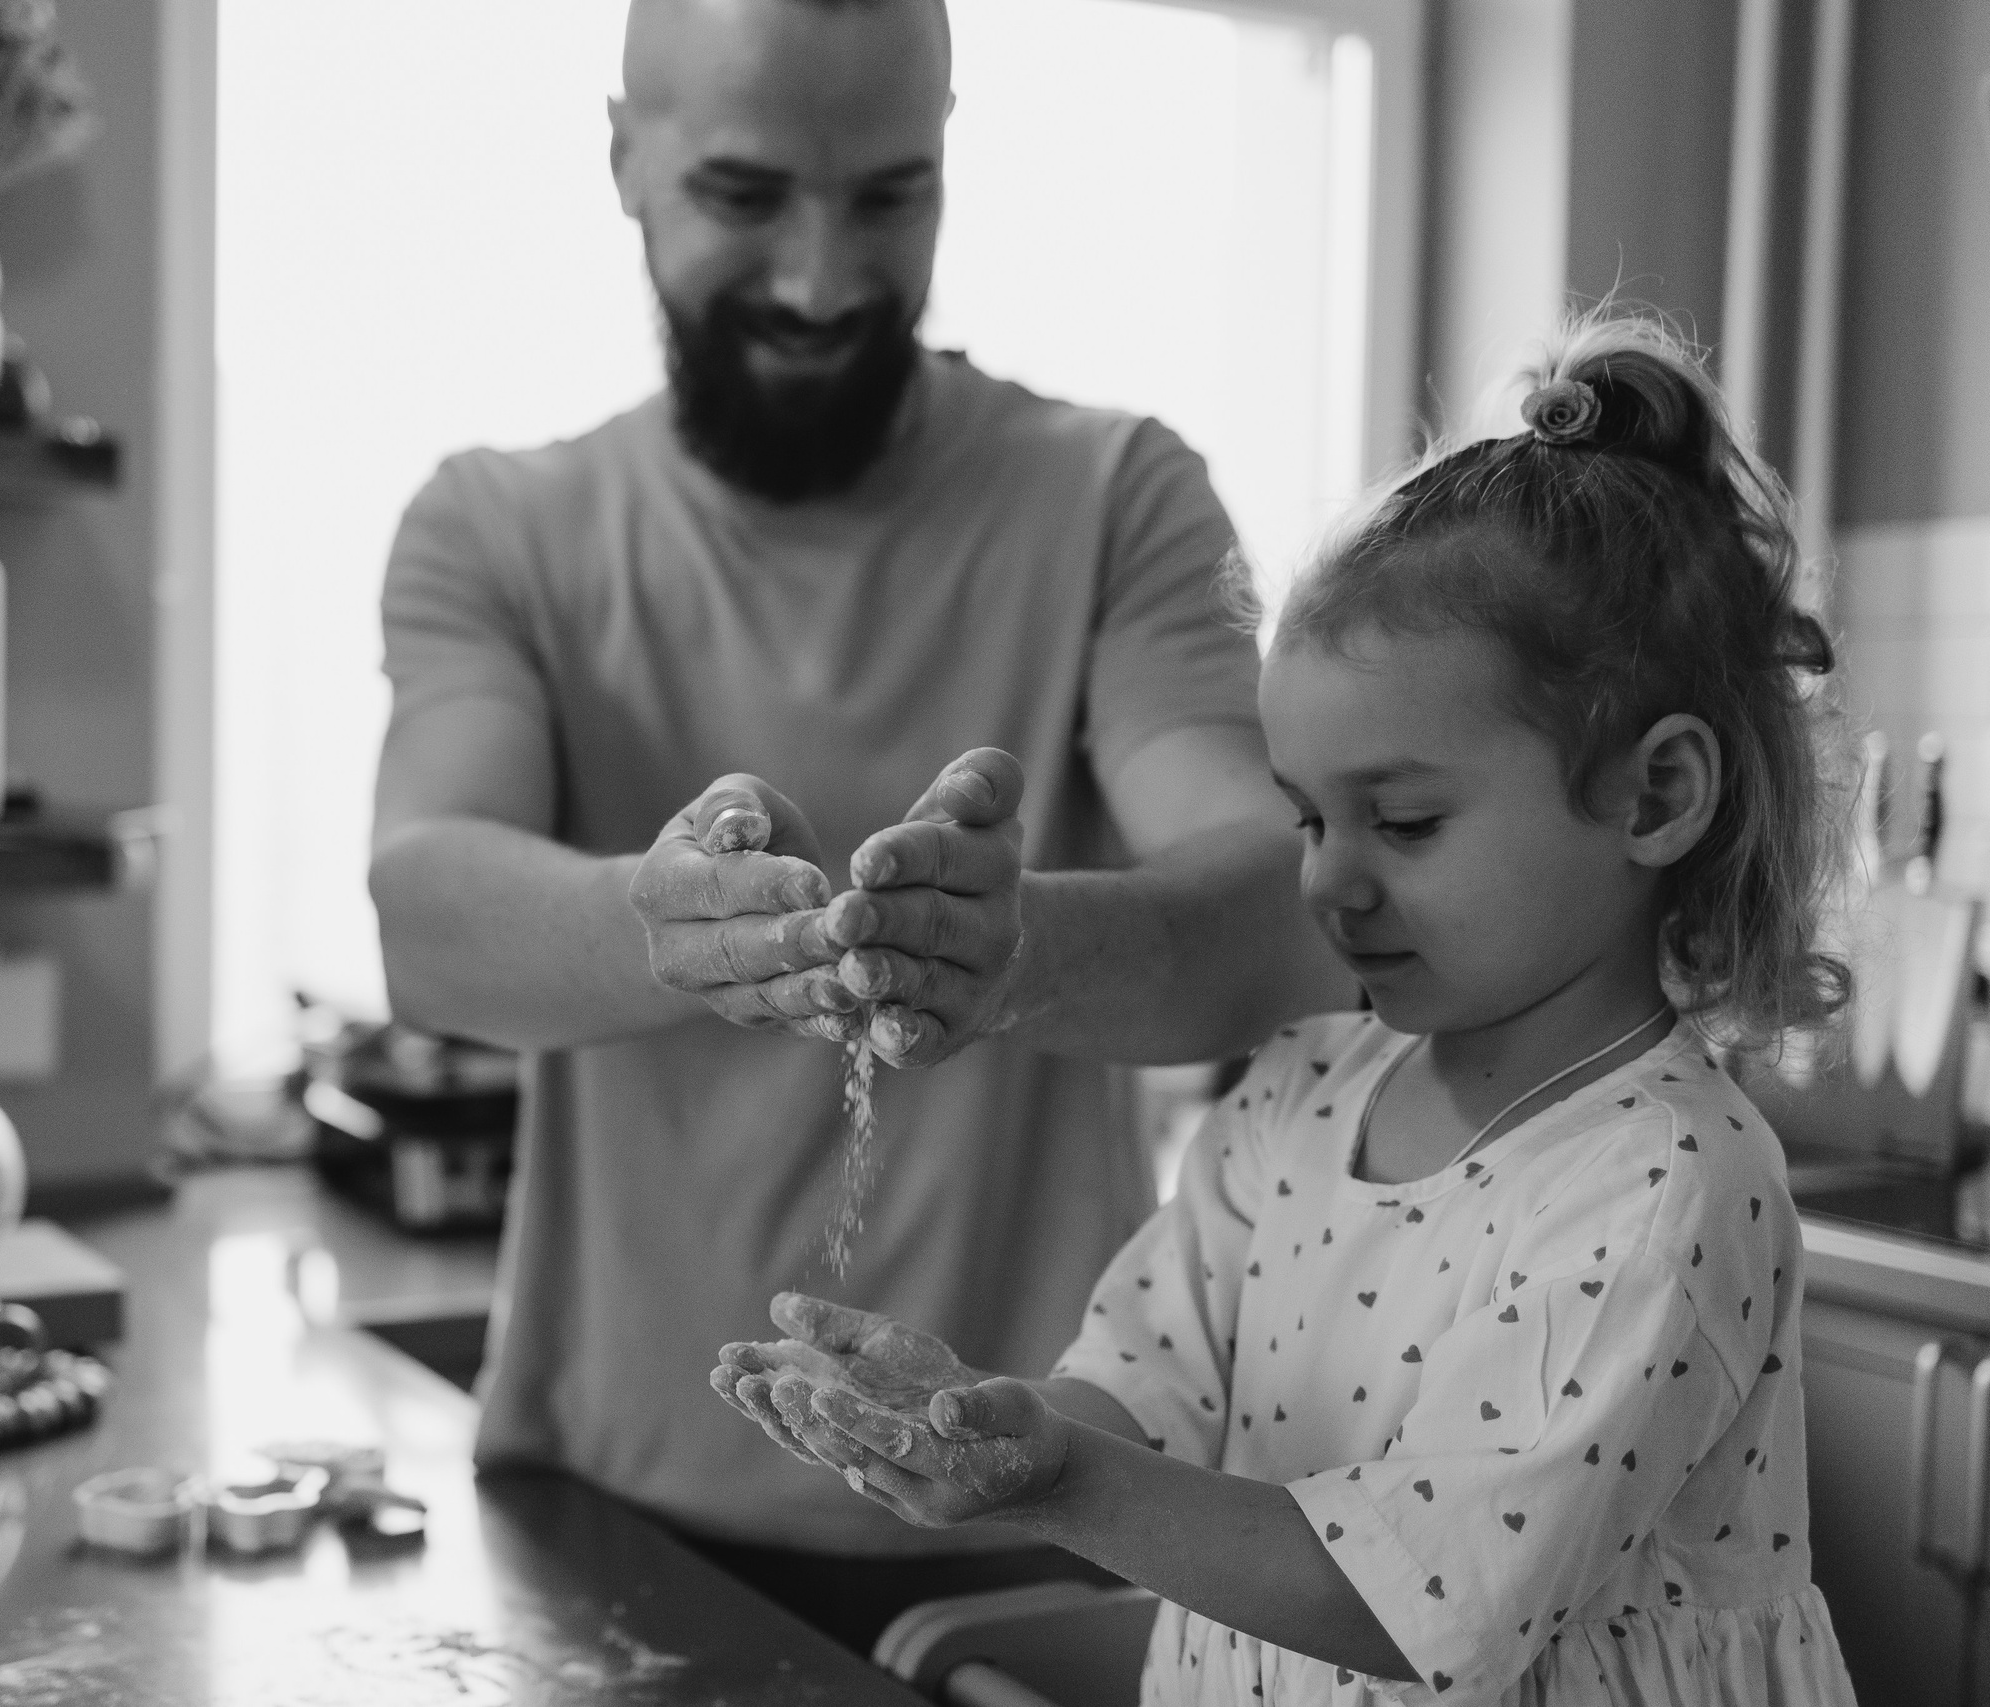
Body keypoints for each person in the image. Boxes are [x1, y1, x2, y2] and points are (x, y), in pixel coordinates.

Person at [369, 0, 1345, 1650]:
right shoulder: (499, 528)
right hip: (611, 1526)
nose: (823, 279)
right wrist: (660, 925)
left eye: (889, 197)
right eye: (746, 196)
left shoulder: (1116, 499)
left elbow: (1277, 907)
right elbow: (426, 912)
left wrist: (1023, 946)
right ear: (626, 158)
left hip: (1044, 1523)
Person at [715, 317, 1862, 1706]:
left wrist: (1063, 1484)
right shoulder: (1306, 1093)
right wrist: (990, 1436)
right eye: (1310, 816)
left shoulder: (1668, 1186)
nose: (1327, 879)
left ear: (1656, 797)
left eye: (1406, 820)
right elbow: (1144, 1394)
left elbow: (1418, 1597)